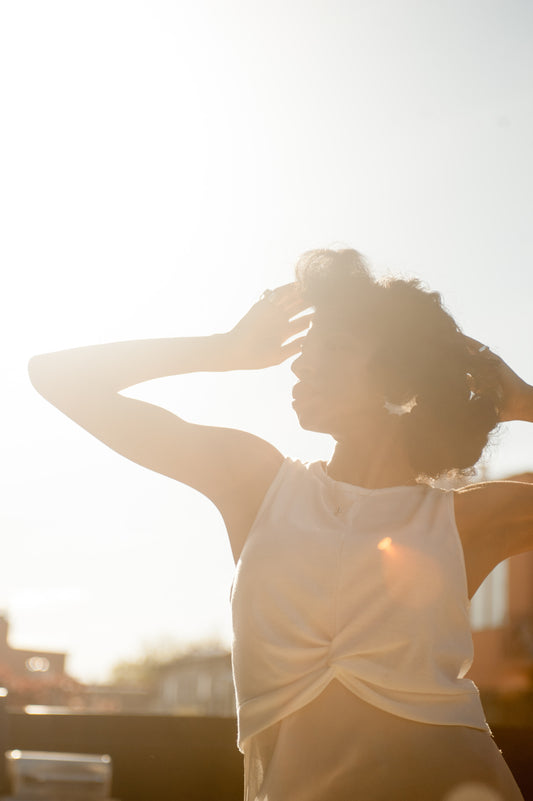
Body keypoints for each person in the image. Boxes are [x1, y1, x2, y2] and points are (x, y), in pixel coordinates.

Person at [29, 248, 533, 801]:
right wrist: (222, 351)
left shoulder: (467, 518)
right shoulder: (257, 483)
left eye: (334, 346)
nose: (302, 363)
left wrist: (524, 400)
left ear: (400, 378)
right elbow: (56, 376)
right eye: (307, 346)